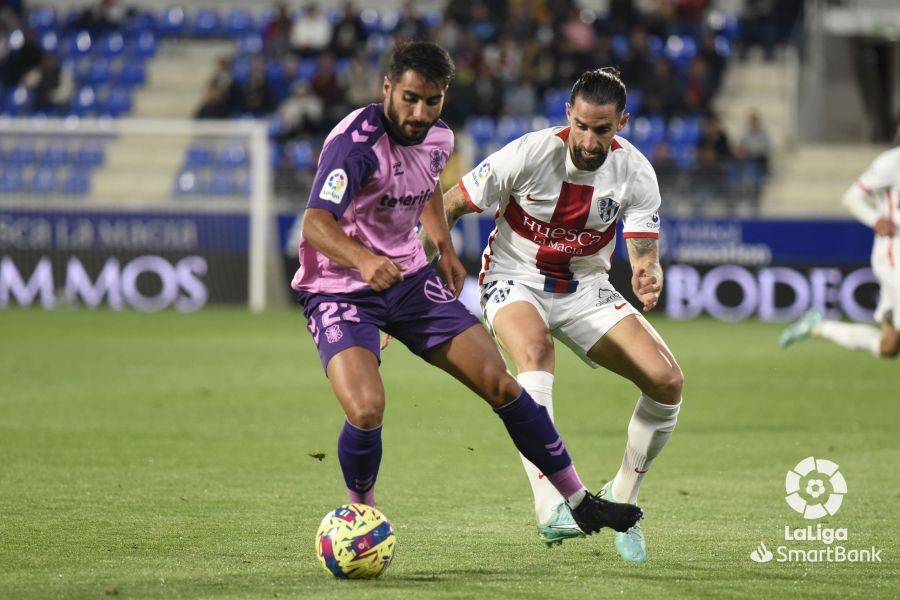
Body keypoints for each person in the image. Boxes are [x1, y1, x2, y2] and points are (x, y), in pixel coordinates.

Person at [292, 42, 642, 540]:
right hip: (340, 288)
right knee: (367, 409)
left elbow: (430, 181)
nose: (419, 113)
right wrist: (366, 261)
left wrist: (443, 243)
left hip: (410, 281)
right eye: (409, 98)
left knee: (503, 384)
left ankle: (580, 501)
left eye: (431, 101)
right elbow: (314, 224)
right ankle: (362, 517)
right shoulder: (356, 145)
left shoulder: (437, 137)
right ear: (387, 88)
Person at [427, 67, 683, 562]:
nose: (589, 140)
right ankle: (551, 507)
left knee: (667, 381)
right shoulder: (528, 153)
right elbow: (451, 202)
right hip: (513, 278)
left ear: (621, 124)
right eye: (582, 126)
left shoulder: (636, 172)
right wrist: (410, 267)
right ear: (569, 114)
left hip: (586, 288)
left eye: (602, 129)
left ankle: (622, 497)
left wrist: (648, 272)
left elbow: (645, 253)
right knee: (536, 353)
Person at [779, 120, 900, 359]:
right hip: (892, 255)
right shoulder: (891, 161)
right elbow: (852, 197)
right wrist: (876, 219)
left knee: (889, 346)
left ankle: (817, 327)